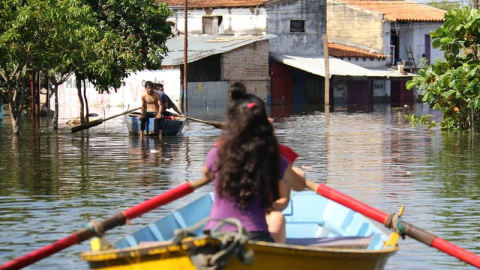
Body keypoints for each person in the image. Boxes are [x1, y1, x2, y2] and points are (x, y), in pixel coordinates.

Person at [203, 94, 311, 242]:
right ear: (264, 126)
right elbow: (299, 186)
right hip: (255, 235)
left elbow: (207, 174)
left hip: (215, 234)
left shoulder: (215, 154)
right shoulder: (272, 157)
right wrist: (298, 174)